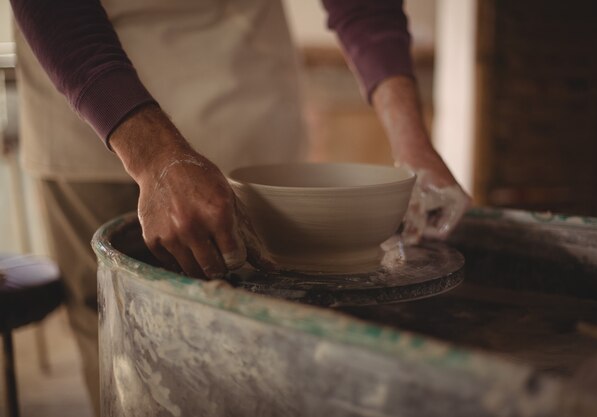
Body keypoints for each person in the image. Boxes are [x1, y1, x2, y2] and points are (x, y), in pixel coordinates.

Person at [9, 0, 470, 413]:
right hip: (93, 108)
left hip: (244, 91)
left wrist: (411, 140)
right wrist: (153, 156)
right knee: (125, 344)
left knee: (263, 349)